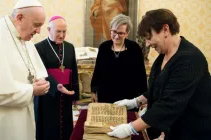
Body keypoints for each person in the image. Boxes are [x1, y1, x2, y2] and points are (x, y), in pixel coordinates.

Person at [0, 0, 71, 140]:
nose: (38, 31)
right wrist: (31, 90)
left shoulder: (25, 39)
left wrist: (43, 83)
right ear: (20, 18)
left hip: (20, 116)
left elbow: (35, 72)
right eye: (36, 25)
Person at [107, 9, 211, 140]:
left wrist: (130, 128)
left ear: (165, 30)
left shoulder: (190, 59)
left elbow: (168, 105)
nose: (147, 43)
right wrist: (135, 101)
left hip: (192, 131)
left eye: (149, 37)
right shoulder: (163, 55)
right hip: (172, 129)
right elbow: (157, 87)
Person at [34, 16, 79, 140]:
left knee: (66, 126)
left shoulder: (70, 47)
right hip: (47, 94)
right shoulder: (39, 47)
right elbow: (40, 73)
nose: (62, 35)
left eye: (64, 31)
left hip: (66, 94)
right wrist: (55, 86)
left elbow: (73, 71)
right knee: (48, 127)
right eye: (58, 31)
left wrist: (75, 94)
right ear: (49, 29)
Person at [90, 14, 147, 104]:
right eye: (114, 32)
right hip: (105, 97)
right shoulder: (104, 47)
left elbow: (141, 75)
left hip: (128, 99)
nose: (116, 36)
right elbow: (97, 71)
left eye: (120, 33)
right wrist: (93, 90)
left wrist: (142, 97)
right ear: (110, 30)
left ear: (127, 33)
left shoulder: (135, 48)